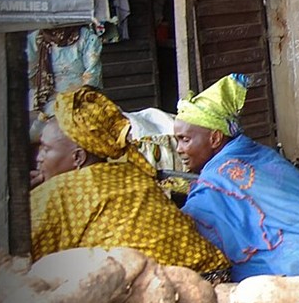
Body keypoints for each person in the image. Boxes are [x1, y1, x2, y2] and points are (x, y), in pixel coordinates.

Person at [174, 73, 299, 281]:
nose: (179, 150)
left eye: (185, 140)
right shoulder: (259, 154)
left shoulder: (216, 179)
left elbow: (186, 231)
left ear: (215, 138)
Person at [30, 85, 229, 275]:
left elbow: (19, 261)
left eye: (46, 149)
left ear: (78, 158)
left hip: (155, 288)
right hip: (214, 273)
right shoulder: (131, 173)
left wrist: (30, 198)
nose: (38, 158)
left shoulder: (52, 195)